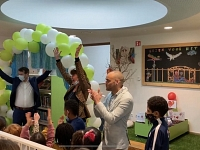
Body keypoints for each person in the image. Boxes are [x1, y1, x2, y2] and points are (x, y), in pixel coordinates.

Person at [88, 71, 133, 150]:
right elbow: (98, 114)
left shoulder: (126, 98)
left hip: (118, 145)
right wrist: (95, 102)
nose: (105, 82)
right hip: (107, 142)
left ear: (117, 82)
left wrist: (98, 102)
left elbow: (111, 119)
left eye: (108, 80)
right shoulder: (110, 95)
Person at [54, 44, 91, 122]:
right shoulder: (73, 85)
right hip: (70, 117)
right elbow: (64, 73)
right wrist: (57, 59)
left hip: (79, 118)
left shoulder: (85, 86)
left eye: (74, 74)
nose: (71, 76)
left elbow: (81, 75)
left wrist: (77, 59)